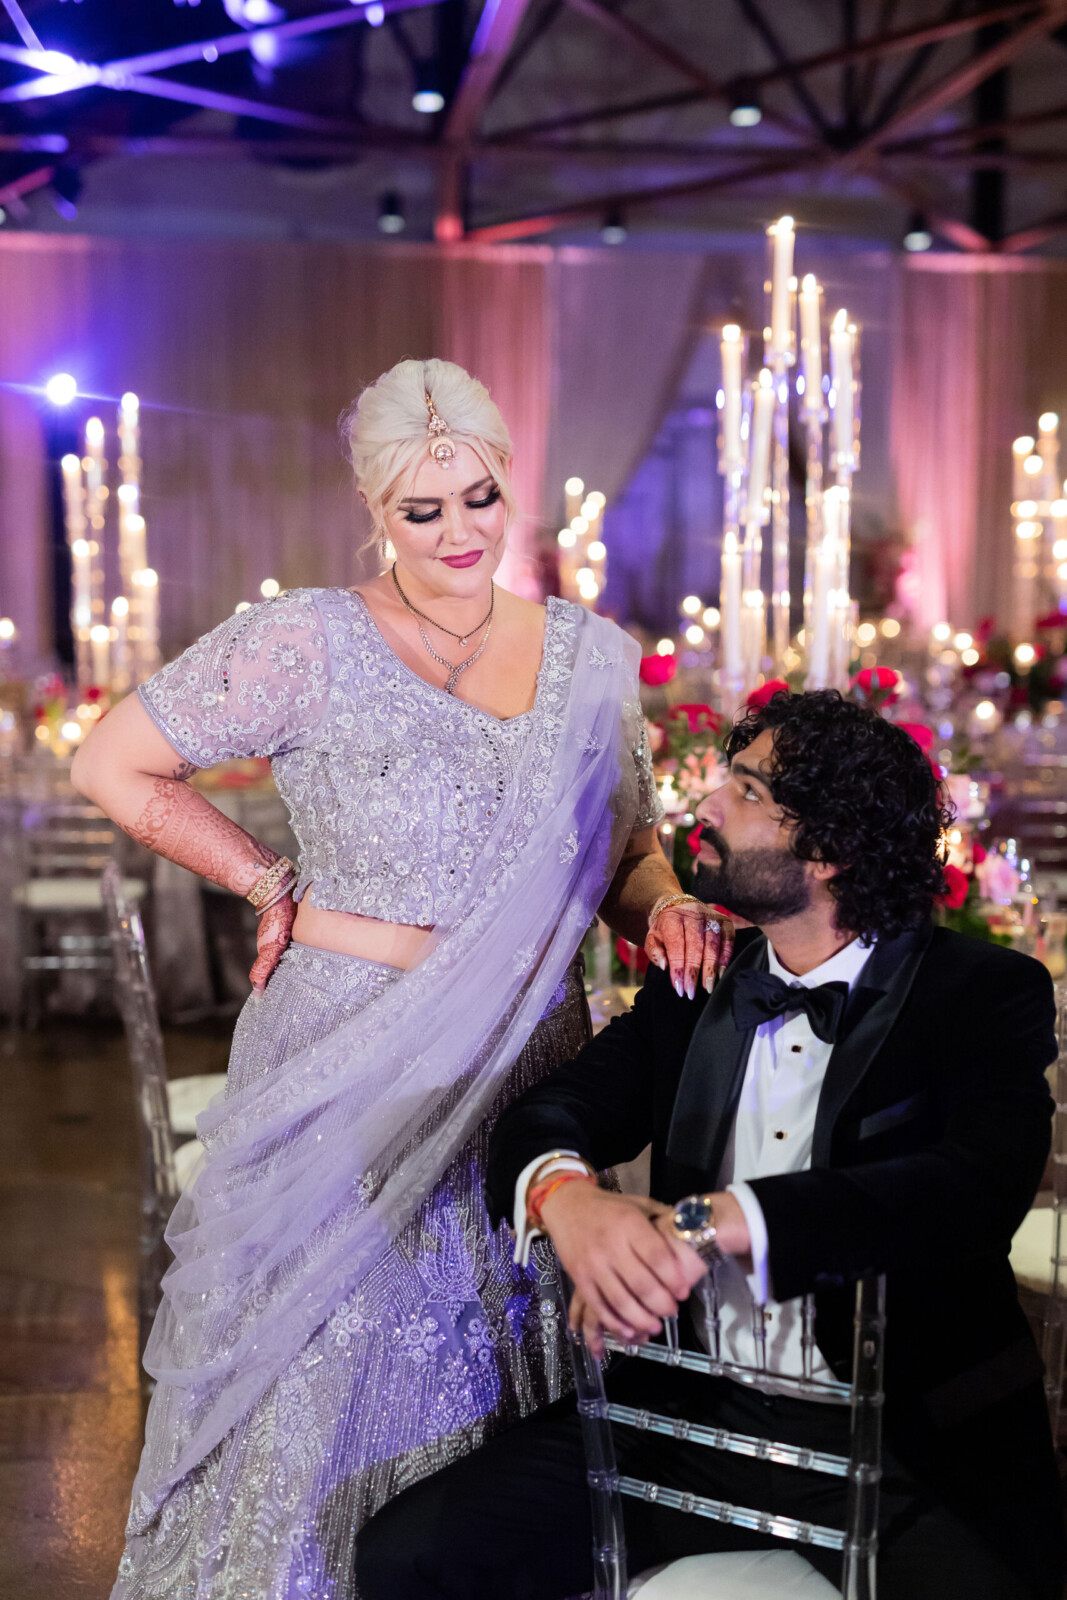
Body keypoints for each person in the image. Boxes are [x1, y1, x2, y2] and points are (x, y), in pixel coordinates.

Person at [71, 358, 732, 1600]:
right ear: (374, 506)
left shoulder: (589, 659)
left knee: (488, 1379)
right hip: (342, 1069)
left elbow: (623, 850)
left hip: (521, 1068)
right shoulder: (306, 639)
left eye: (478, 498)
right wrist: (263, 879)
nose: (457, 532)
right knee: (317, 1388)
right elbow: (112, 764)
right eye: (420, 510)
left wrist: (670, 903)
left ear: (507, 483)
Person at [355, 688, 1066, 1600]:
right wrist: (565, 1198)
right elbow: (553, 1111)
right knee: (409, 1556)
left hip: (902, 1441)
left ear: (831, 848)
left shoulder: (978, 993)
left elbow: (970, 1191)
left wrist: (716, 1221)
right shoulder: (700, 980)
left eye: (747, 791)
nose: (705, 804)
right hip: (689, 1417)